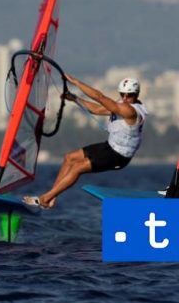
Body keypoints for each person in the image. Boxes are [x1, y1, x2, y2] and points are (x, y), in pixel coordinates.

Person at [24, 76, 148, 208]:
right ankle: (51, 199)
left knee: (77, 167)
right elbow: (97, 109)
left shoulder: (130, 111)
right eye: (122, 94)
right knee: (69, 157)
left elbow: (100, 98)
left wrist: (76, 82)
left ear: (136, 94)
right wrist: (75, 99)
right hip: (109, 146)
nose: (125, 98)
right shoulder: (122, 106)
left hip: (118, 156)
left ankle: (45, 199)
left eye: (129, 95)